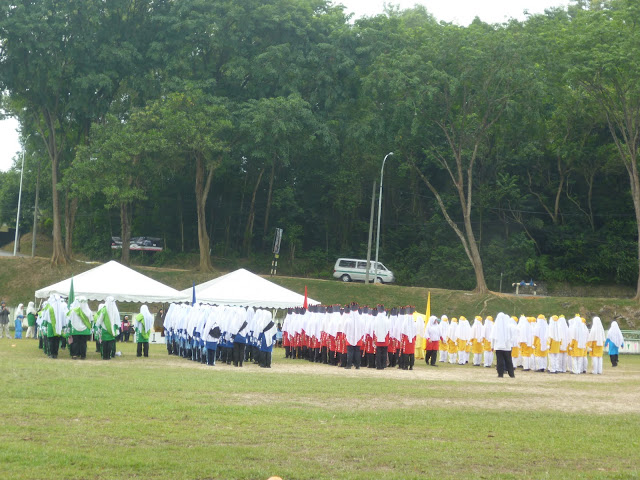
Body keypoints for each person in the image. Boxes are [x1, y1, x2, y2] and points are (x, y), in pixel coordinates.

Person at [491, 312, 516, 378]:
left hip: (498, 346)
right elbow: (512, 336)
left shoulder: (495, 326)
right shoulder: (508, 326)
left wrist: (492, 346)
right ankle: (511, 374)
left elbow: (493, 337)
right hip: (507, 346)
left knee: (499, 361)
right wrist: (511, 344)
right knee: (509, 360)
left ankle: (500, 374)